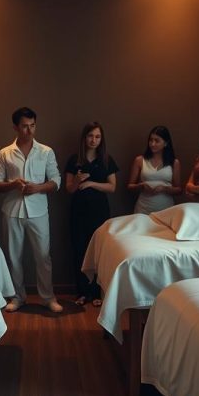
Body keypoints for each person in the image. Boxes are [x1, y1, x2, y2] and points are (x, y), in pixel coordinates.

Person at [0, 107, 63, 313]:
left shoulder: (46, 151)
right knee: (13, 257)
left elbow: (56, 180)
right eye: (24, 126)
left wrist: (38, 188)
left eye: (32, 126)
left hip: (39, 210)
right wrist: (14, 184)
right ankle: (17, 297)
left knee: (43, 256)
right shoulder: (4, 153)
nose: (29, 130)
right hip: (12, 211)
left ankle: (48, 298)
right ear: (15, 127)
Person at [65, 122, 118, 307]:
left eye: (97, 136)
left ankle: (97, 292)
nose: (93, 140)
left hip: (99, 211)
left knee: (99, 252)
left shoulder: (106, 160)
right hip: (78, 211)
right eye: (90, 136)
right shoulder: (74, 160)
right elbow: (69, 189)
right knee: (79, 249)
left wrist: (91, 184)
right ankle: (82, 293)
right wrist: (78, 180)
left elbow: (112, 187)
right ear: (84, 138)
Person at [127, 125, 181, 214]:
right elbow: (130, 186)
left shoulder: (174, 163)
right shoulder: (140, 160)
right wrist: (141, 186)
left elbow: (179, 190)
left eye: (157, 141)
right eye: (151, 140)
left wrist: (164, 189)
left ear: (166, 143)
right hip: (143, 208)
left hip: (166, 209)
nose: (152, 144)